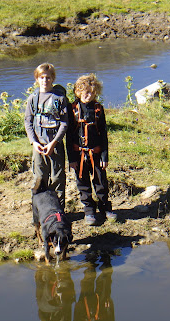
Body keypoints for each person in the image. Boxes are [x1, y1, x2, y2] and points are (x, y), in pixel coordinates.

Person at [66, 73, 116, 226]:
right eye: (85, 92)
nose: (88, 95)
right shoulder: (72, 109)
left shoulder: (98, 109)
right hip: (79, 154)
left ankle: (104, 207)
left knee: (101, 181)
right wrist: (72, 159)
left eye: (92, 93)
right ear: (78, 92)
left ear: (96, 93)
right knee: (83, 182)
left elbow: (103, 134)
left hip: (96, 152)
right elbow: (68, 136)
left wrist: (104, 156)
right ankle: (89, 210)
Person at [25, 63, 69, 208]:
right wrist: (34, 142)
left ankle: (59, 211)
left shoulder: (60, 98)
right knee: (40, 178)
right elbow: (28, 121)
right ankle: (38, 211)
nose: (45, 81)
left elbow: (64, 123)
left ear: (53, 78)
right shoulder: (33, 98)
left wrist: (54, 142)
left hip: (55, 145)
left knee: (57, 178)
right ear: (37, 79)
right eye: (42, 78)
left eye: (48, 78)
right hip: (38, 146)